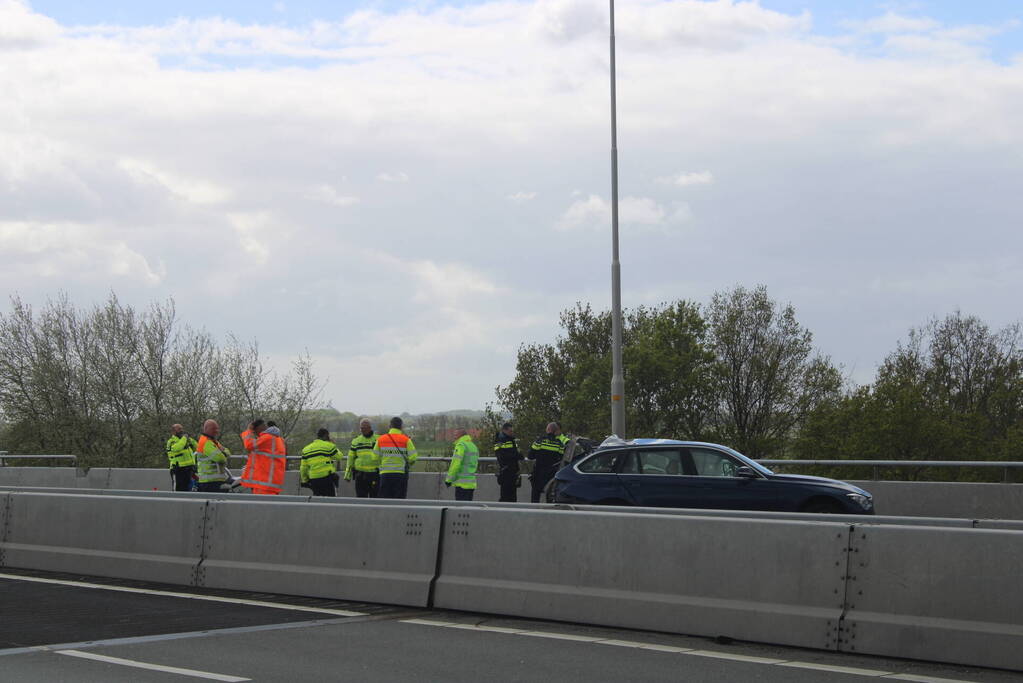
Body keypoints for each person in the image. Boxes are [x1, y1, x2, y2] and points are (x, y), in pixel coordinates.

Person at [240, 418, 287, 495]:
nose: (256, 434)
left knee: (262, 506)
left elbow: (249, 445)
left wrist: (249, 430)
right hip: (270, 482)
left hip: (264, 483)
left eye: (255, 431)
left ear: (259, 428)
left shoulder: (267, 438)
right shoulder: (277, 438)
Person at [374, 416, 417, 499]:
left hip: (385, 474)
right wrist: (407, 464)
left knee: (385, 499)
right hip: (400, 474)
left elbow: (375, 457)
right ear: (401, 427)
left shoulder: (381, 439)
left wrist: (381, 465)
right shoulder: (406, 440)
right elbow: (413, 457)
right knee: (399, 499)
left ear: (390, 426)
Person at [528, 421, 569, 503]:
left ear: (548, 429)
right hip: (551, 474)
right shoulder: (559, 444)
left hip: (538, 472)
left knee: (535, 496)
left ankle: (533, 513)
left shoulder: (540, 441)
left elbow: (530, 456)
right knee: (550, 496)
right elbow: (560, 458)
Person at [344, 418, 379, 498]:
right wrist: (347, 474)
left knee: (375, 498)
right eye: (361, 428)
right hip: (360, 475)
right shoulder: (356, 441)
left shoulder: (378, 439)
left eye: (364, 428)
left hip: (374, 474)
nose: (362, 430)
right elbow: (350, 458)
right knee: (360, 498)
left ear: (370, 428)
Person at [301, 428, 341, 497]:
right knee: (330, 501)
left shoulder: (306, 449)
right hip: (327, 478)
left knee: (317, 500)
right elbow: (339, 456)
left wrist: (304, 480)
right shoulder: (329, 445)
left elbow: (303, 467)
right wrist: (333, 445)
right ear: (326, 436)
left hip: (314, 479)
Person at [195, 419, 231, 492]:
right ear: (206, 429)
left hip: (214, 481)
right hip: (209, 482)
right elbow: (220, 458)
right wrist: (223, 452)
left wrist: (223, 452)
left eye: (217, 428)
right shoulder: (206, 442)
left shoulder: (213, 441)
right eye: (214, 429)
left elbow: (228, 453)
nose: (216, 431)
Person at [445, 428, 479, 501]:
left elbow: (455, 464)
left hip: (462, 484)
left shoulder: (461, 445)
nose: (454, 437)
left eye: (455, 434)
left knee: (460, 510)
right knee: (467, 509)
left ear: (461, 435)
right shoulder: (473, 446)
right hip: (471, 484)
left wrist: (449, 480)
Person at [493, 422, 523, 502]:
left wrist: (516, 455)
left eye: (512, 431)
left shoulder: (511, 440)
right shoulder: (500, 440)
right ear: (504, 430)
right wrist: (516, 455)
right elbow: (501, 455)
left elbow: (517, 453)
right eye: (510, 431)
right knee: (505, 496)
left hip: (513, 471)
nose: (512, 433)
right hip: (506, 471)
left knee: (512, 496)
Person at [166, 424, 198, 492]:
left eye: (182, 429)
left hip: (188, 469)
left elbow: (197, 447)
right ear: (173, 432)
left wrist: (190, 440)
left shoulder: (185, 440)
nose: (182, 431)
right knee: (178, 490)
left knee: (188, 490)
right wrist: (184, 438)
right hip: (178, 469)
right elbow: (177, 448)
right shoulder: (171, 441)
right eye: (179, 429)